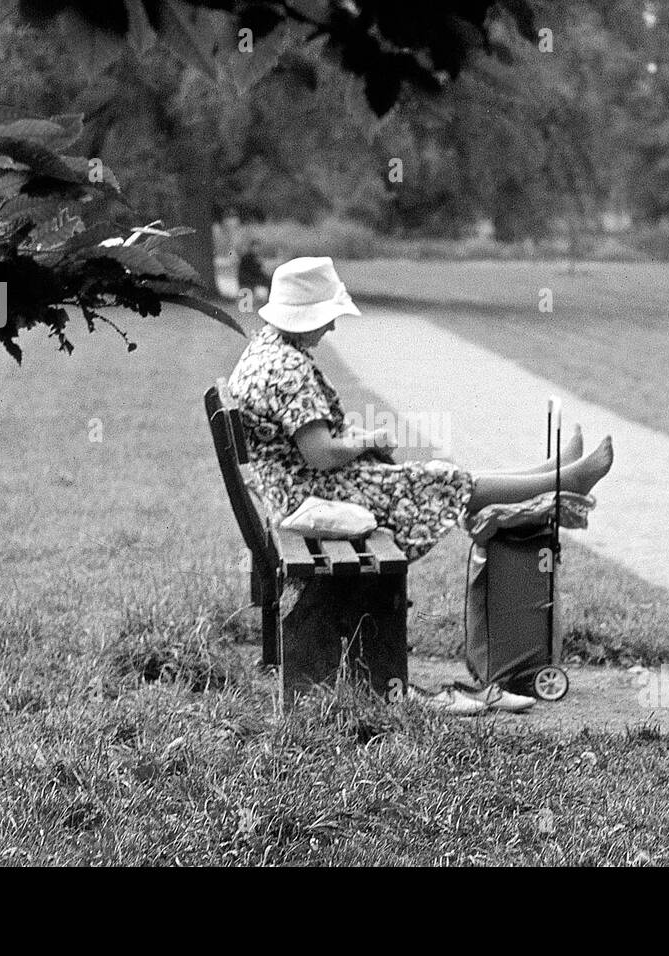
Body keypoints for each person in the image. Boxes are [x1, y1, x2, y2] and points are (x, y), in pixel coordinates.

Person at [227, 257, 613, 713]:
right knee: (439, 479)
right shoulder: (287, 369)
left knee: (432, 477)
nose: (330, 329)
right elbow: (320, 453)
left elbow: (311, 451)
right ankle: (561, 478)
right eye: (328, 318)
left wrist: (360, 449)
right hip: (312, 497)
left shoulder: (266, 352)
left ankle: (553, 472)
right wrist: (367, 441)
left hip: (300, 490)